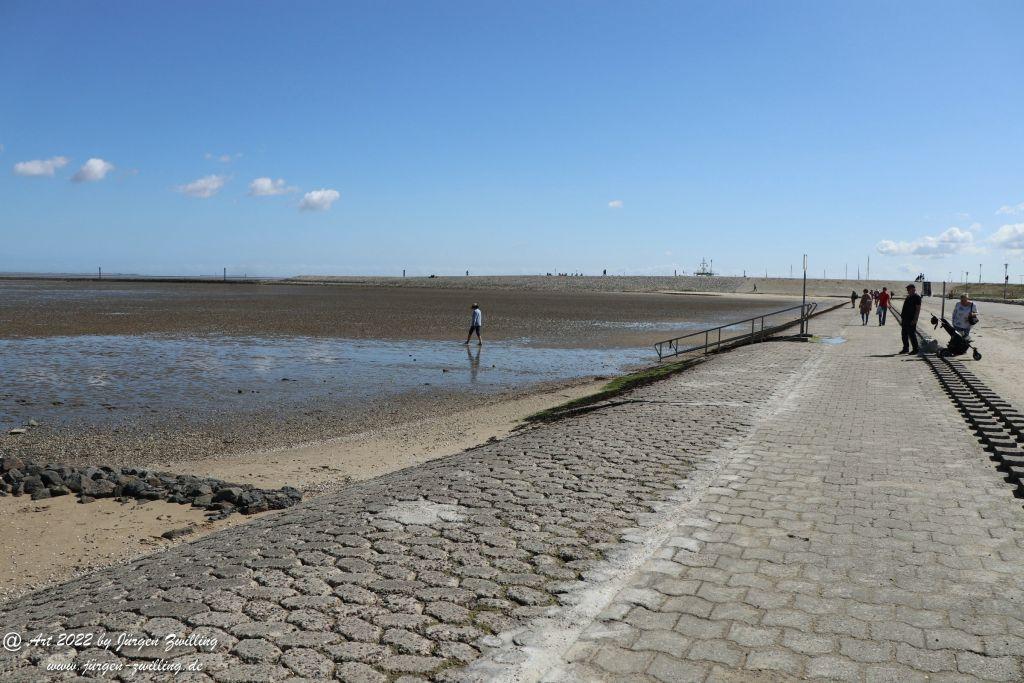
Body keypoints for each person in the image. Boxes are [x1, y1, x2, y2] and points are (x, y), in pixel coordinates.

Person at [899, 284, 922, 354]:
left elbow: (918, 309)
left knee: (912, 334)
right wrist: (902, 317)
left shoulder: (917, 297)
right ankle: (906, 348)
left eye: (909, 289)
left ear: (913, 289)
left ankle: (915, 349)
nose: (907, 291)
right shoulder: (908, 297)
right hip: (905, 319)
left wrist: (915, 320)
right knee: (904, 334)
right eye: (907, 289)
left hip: (911, 319)